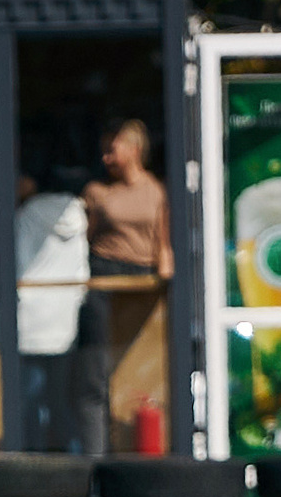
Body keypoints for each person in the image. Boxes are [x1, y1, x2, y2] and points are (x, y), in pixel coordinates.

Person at [75, 120, 172, 456]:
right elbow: (80, 241)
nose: (105, 158)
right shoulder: (97, 192)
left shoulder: (156, 191)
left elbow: (164, 241)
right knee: (96, 374)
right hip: (103, 276)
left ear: (134, 149)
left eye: (111, 149)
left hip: (142, 281)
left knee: (138, 369)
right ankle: (96, 456)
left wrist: (165, 273)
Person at [15, 173, 90, 453]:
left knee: (30, 404)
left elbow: (18, 264)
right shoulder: (78, 215)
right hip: (63, 321)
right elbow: (82, 271)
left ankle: (32, 469)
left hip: (30, 322)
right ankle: (74, 466)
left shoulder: (26, 214)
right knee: (60, 401)